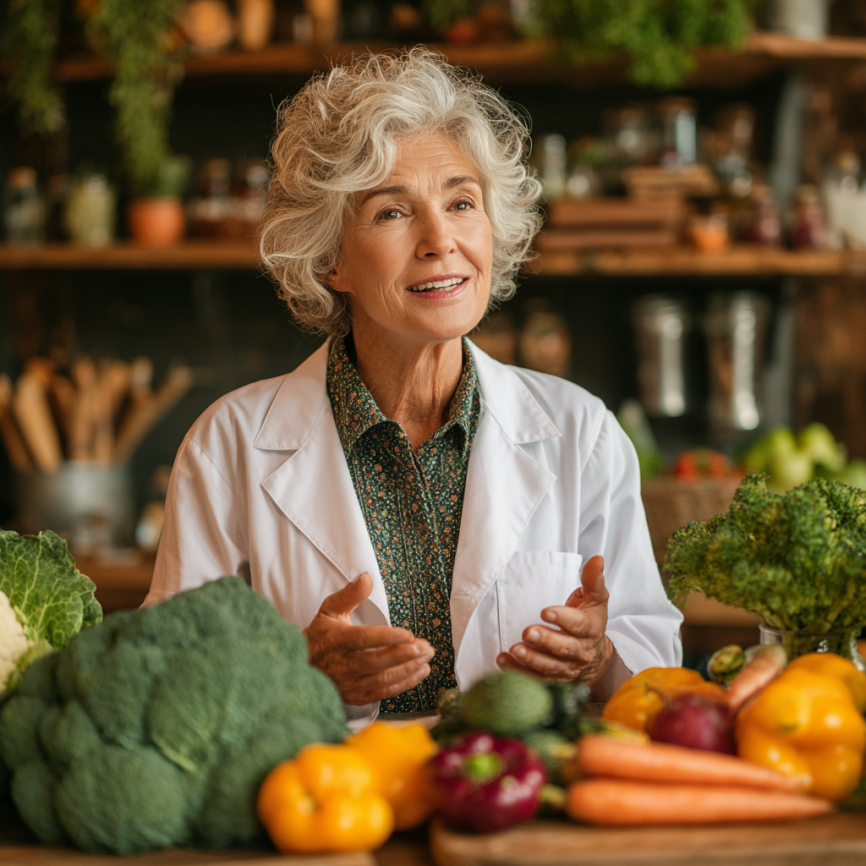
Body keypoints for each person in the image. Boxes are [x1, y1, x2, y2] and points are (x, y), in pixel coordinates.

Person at [146, 48, 682, 727]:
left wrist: (599, 657)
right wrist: (293, 667)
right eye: (392, 213)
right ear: (330, 258)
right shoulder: (231, 443)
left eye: (461, 202)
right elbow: (164, 679)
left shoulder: (582, 431)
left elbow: (659, 667)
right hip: (329, 813)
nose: (440, 240)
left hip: (515, 806)